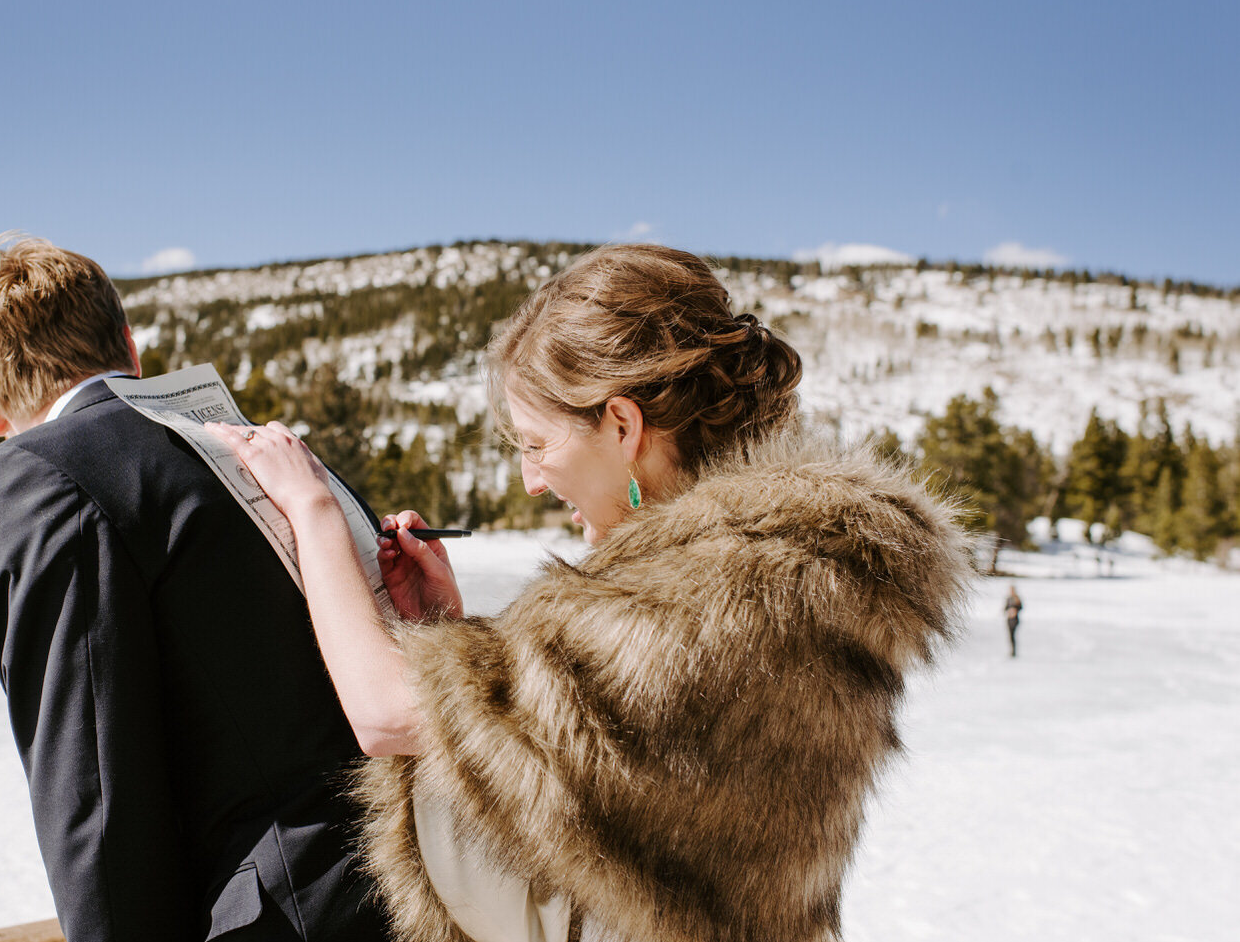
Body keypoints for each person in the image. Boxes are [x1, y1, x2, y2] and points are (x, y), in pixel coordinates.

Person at [206, 244, 974, 942]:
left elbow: (386, 713)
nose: (532, 479)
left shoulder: (719, 592)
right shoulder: (775, 570)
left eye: (537, 445)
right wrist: (442, 623)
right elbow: (575, 756)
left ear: (621, 422)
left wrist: (311, 513)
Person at [0, 235, 388, 942]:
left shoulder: (36, 478)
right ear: (129, 346)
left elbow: (93, 783)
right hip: (408, 882)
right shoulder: (276, 455)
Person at [1005, 584, 1023, 657]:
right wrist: (1009, 610)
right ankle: (1012, 651)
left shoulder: (1017, 598)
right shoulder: (1008, 598)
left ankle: (1014, 651)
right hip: (1009, 618)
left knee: (1013, 635)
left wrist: (1015, 610)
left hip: (1015, 619)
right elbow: (1005, 608)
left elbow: (1021, 607)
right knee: (1010, 636)